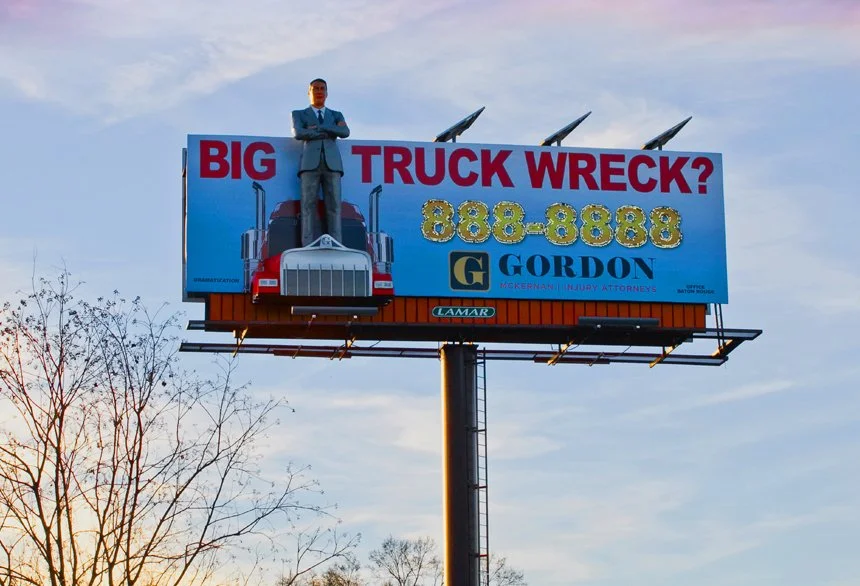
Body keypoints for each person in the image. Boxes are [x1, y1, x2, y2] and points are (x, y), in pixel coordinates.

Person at [291, 78, 350, 246]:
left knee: (334, 206)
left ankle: (336, 244)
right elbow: (298, 133)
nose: (319, 91)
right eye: (315, 88)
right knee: (307, 206)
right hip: (309, 164)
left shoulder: (336, 114)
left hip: (333, 164)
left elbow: (345, 132)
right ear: (309, 93)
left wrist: (319, 128)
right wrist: (331, 130)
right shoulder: (299, 114)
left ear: (327, 93)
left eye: (322, 88)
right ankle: (307, 245)